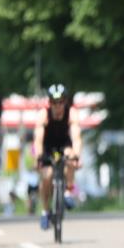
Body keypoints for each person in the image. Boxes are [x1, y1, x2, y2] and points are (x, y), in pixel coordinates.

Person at [33, 84, 83, 230]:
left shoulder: (71, 113)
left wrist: (77, 155)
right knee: (47, 176)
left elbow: (76, 137)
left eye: (60, 102)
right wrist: (38, 157)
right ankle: (45, 210)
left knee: (70, 157)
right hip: (48, 147)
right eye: (54, 102)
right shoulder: (43, 114)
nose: (57, 106)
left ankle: (68, 190)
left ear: (65, 102)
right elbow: (38, 139)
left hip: (64, 145)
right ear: (49, 103)